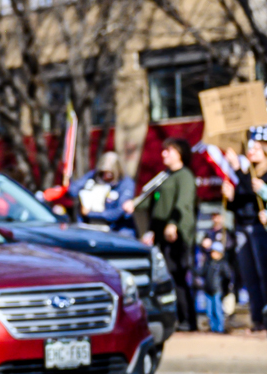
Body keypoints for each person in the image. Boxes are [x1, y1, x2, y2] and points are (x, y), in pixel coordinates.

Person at [126, 138, 197, 331]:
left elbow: (183, 203)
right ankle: (173, 318)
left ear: (179, 153)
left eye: (169, 150)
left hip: (177, 236)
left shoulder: (184, 176)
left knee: (177, 276)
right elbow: (151, 200)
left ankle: (188, 320)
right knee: (164, 277)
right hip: (160, 235)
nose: (163, 154)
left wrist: (173, 224)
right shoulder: (164, 176)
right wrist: (134, 204)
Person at [220, 140, 267, 331]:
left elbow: (255, 194)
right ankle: (257, 318)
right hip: (242, 228)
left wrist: (236, 167)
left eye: (257, 149)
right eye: (251, 148)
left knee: (263, 274)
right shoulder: (246, 175)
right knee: (249, 275)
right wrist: (232, 198)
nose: (252, 151)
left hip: (259, 228)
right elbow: (241, 204)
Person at [68, 151, 136, 233]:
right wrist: (85, 195)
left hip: (116, 229)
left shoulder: (125, 184)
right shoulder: (94, 176)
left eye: (110, 174)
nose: (105, 177)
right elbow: (73, 191)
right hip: (89, 227)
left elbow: (117, 213)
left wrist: (90, 213)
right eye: (103, 173)